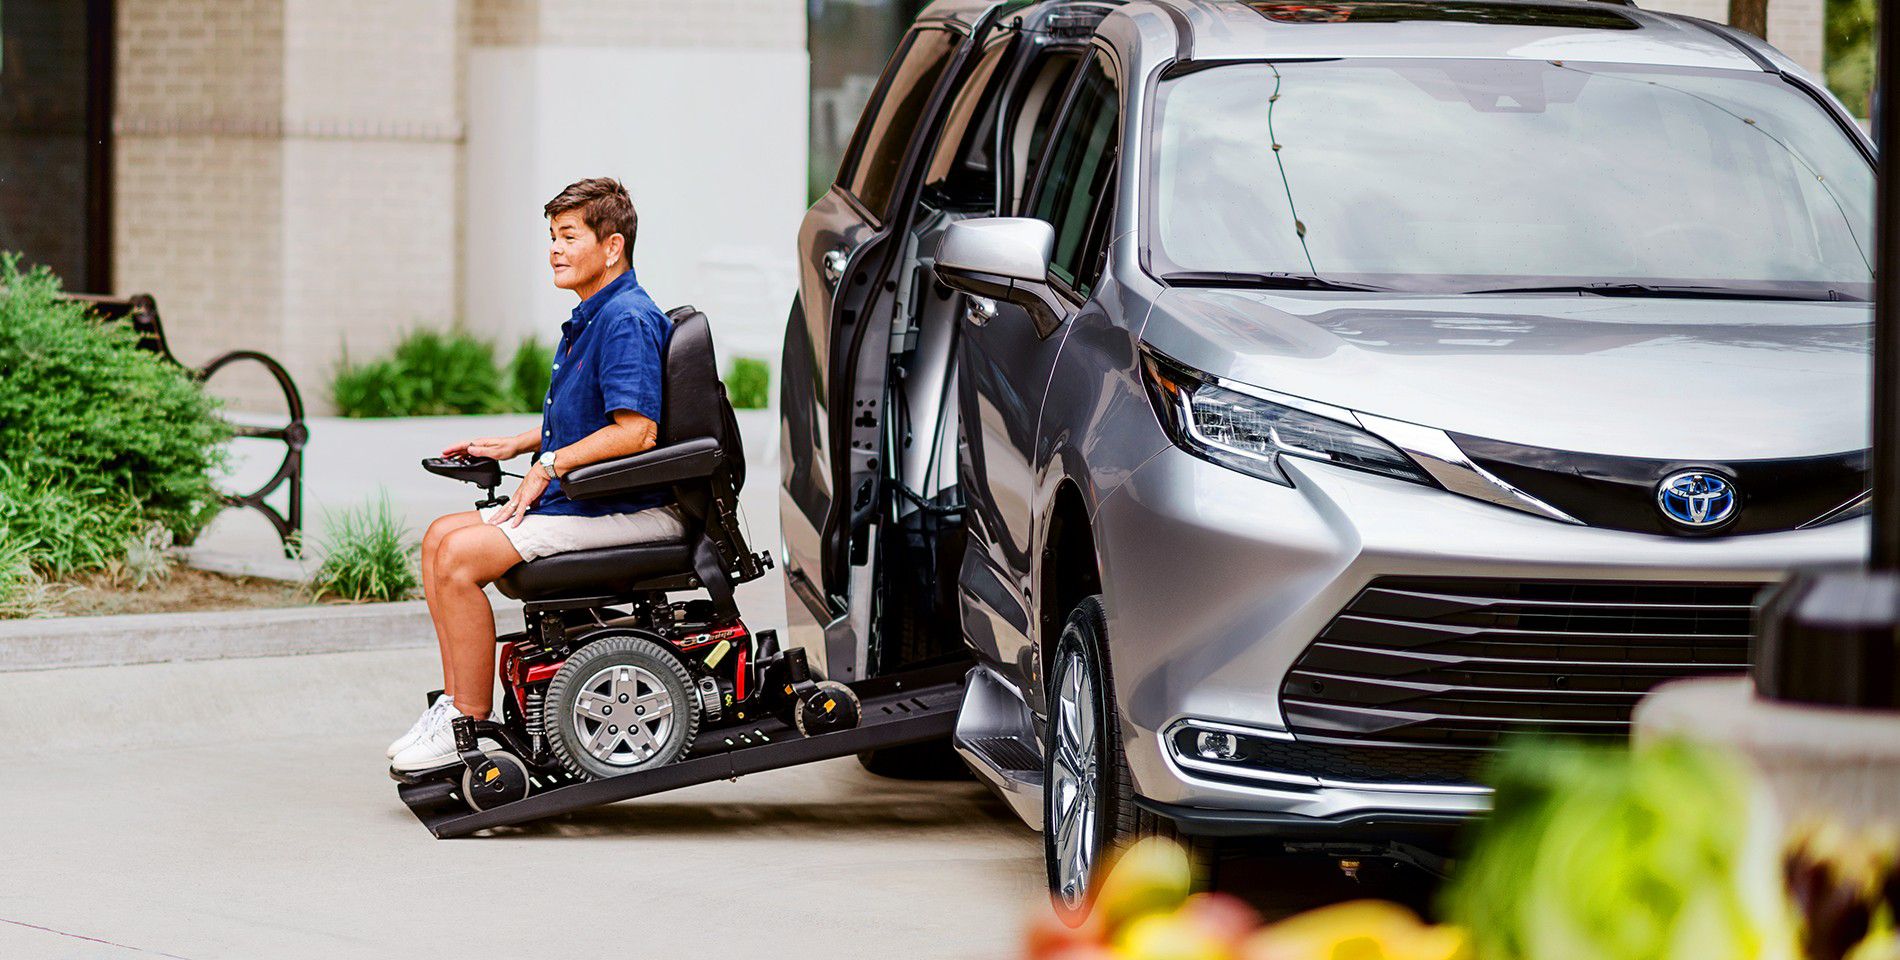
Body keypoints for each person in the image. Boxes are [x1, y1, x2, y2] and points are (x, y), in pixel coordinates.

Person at [388, 177, 683, 771]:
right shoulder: (595, 315)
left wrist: (548, 463)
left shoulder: (624, 319)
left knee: (460, 558)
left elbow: (637, 432)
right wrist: (522, 441)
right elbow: (596, 415)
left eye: (569, 236)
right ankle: (453, 705)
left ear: (612, 246)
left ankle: (466, 721)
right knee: (438, 538)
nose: (554, 248)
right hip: (595, 501)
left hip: (630, 512)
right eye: (552, 236)